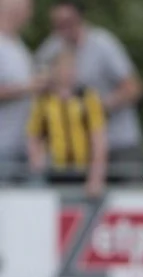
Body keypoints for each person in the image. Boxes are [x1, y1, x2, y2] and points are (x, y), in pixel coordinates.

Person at [35, 0, 143, 179]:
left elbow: (133, 87)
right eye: (57, 23)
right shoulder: (51, 47)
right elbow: (39, 87)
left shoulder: (103, 43)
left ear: (80, 18)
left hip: (118, 141)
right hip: (79, 152)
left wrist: (95, 109)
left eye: (67, 22)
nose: (62, 28)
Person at [27, 49, 107, 197]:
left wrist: (96, 177)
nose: (68, 72)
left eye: (71, 67)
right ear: (54, 70)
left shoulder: (87, 98)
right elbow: (34, 135)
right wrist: (36, 160)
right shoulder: (44, 100)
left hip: (83, 169)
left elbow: (98, 139)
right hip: (53, 169)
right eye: (63, 68)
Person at [0, 0, 39, 180]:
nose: (30, 15)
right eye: (28, 8)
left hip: (24, 147)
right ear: (14, 9)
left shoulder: (18, 45)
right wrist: (28, 87)